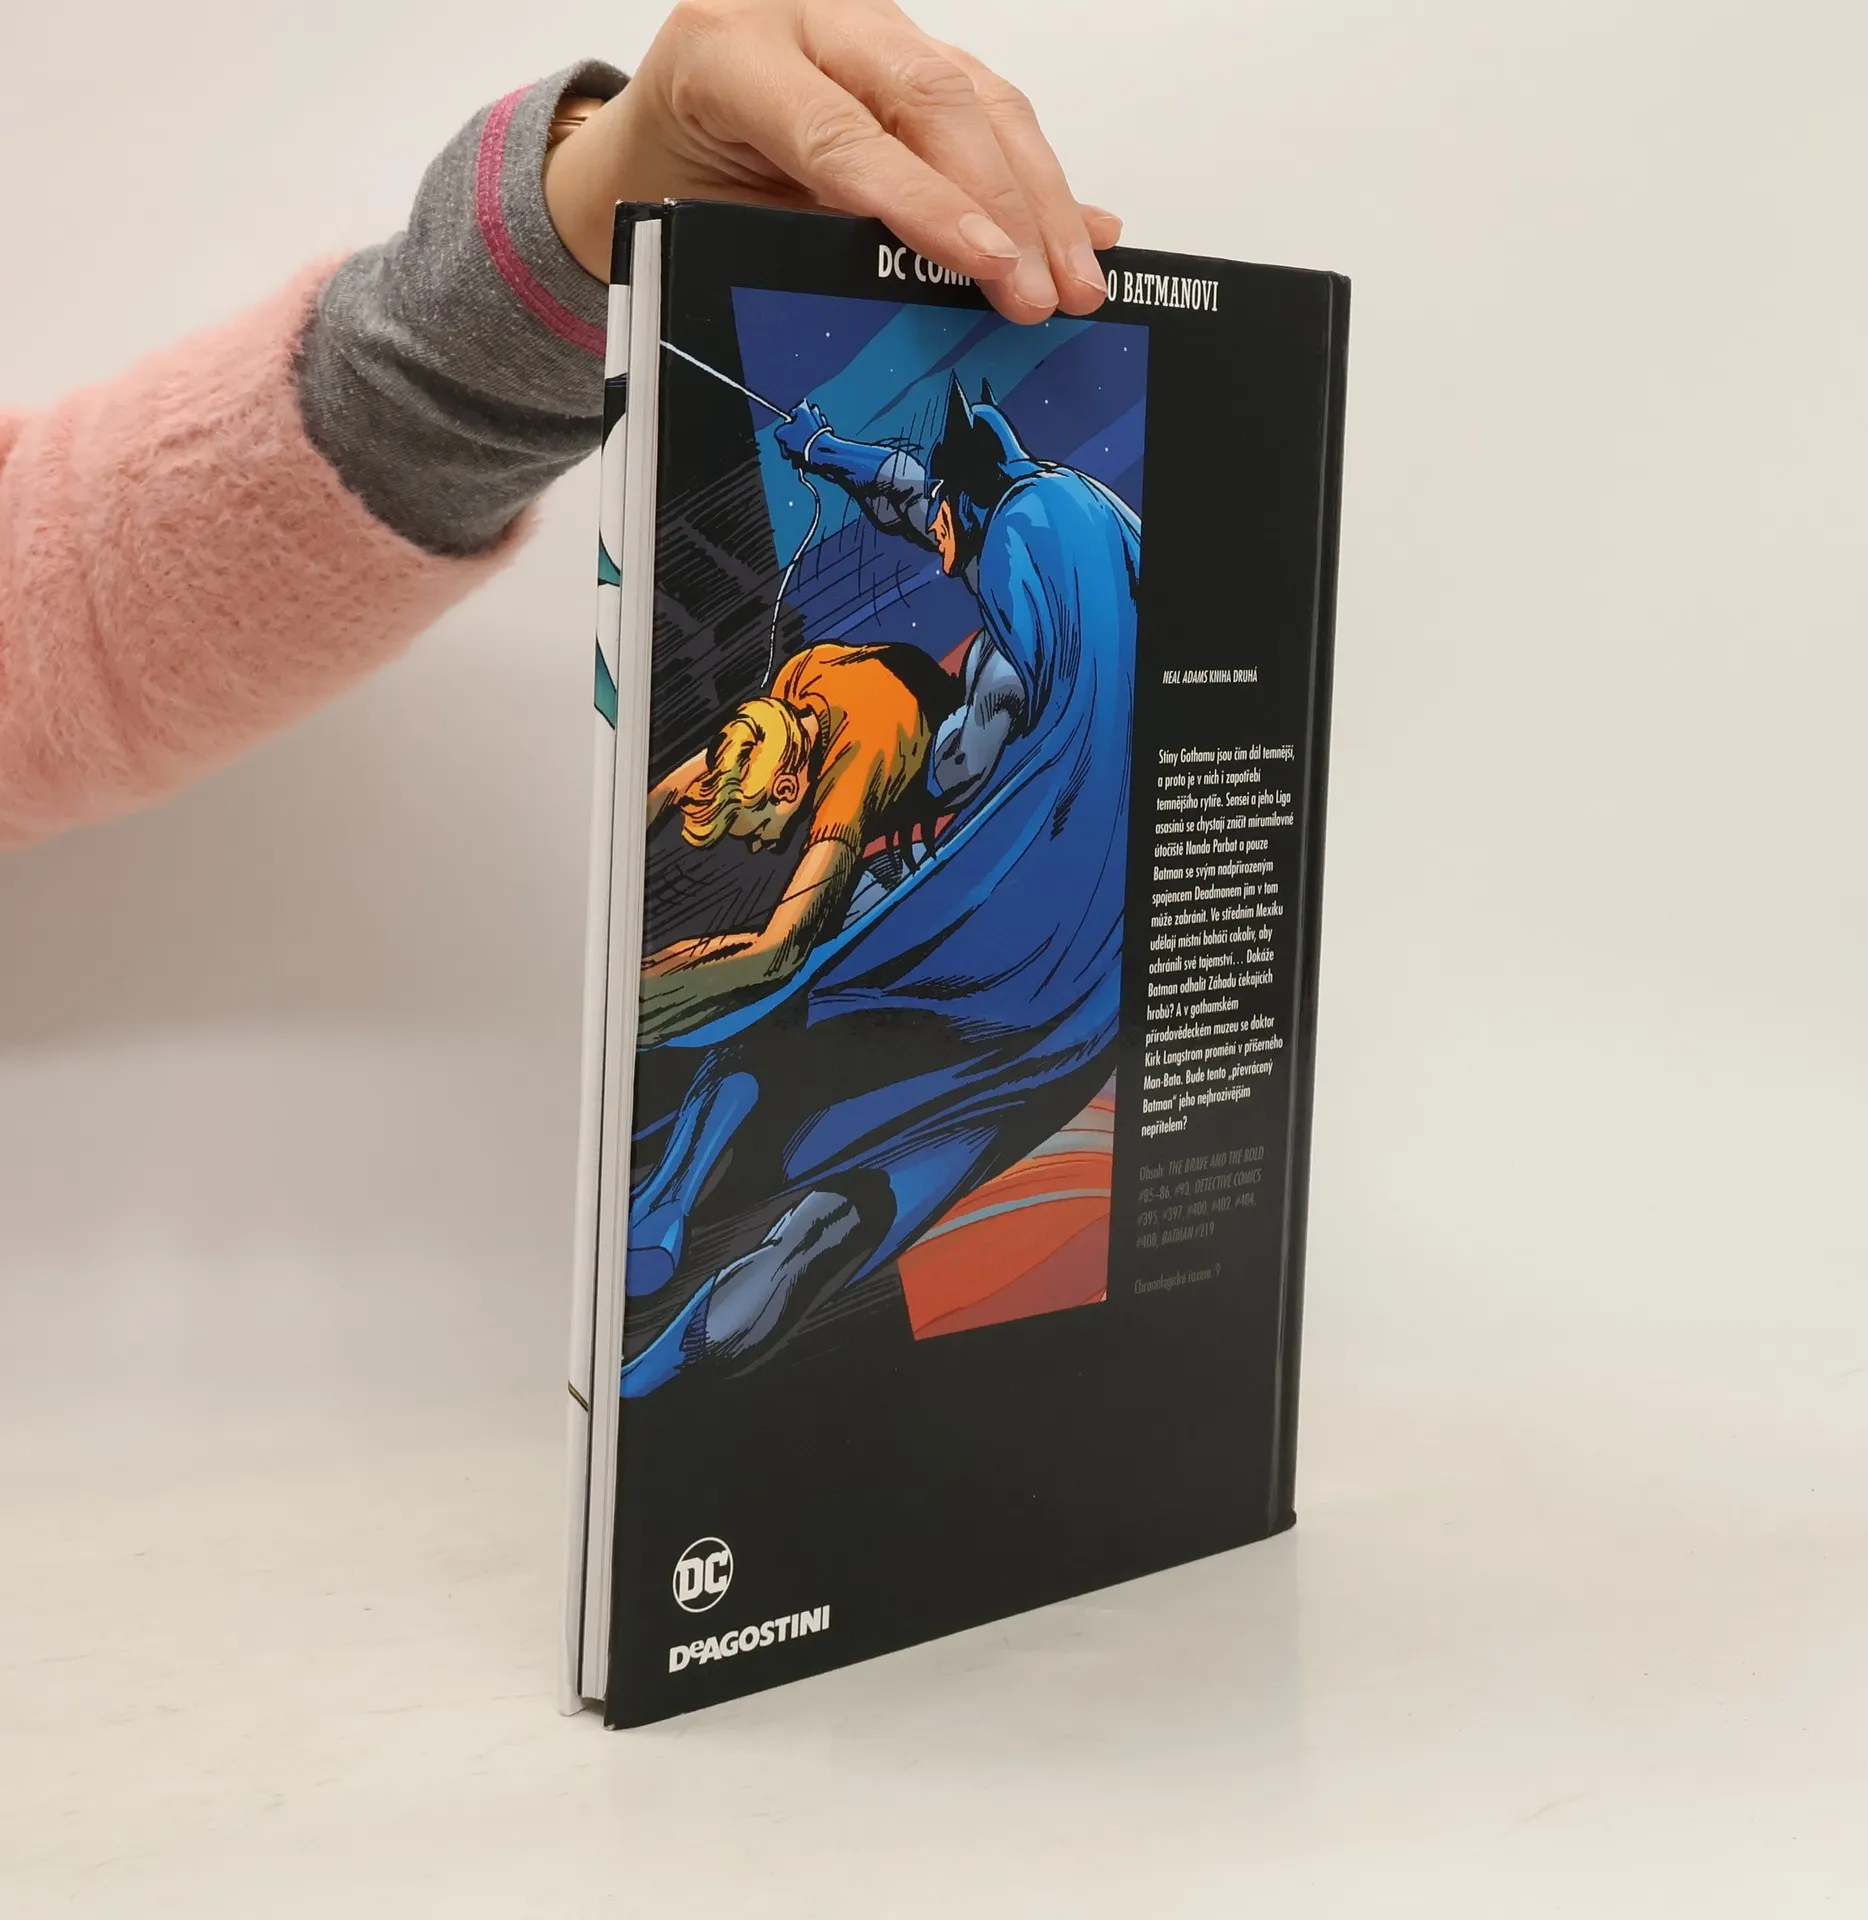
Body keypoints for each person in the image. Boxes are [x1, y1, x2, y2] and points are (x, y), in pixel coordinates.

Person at [0, 0, 1120, 851]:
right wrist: (823, 451)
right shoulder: (917, 612)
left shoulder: (982, 614)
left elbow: (57, 611)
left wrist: (563, 237)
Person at [621, 373, 1140, 1394]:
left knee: (806, 999)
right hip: (1097, 996)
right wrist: (823, 451)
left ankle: (664, 1204)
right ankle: (653, 1373)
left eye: (943, 521)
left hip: (1003, 928)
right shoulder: (1090, 517)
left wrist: (893, 785)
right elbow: (913, 491)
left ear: (970, 511)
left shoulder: (1009, 596)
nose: (931, 534)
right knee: (871, 1198)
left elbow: (964, 762)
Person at [640, 638, 961, 1044]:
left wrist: (659, 987)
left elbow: (779, 954)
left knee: (798, 934)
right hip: (891, 680)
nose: (757, 845)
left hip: (927, 741)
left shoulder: (853, 770)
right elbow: (693, 778)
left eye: (756, 831)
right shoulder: (793, 687)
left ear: (786, 789)